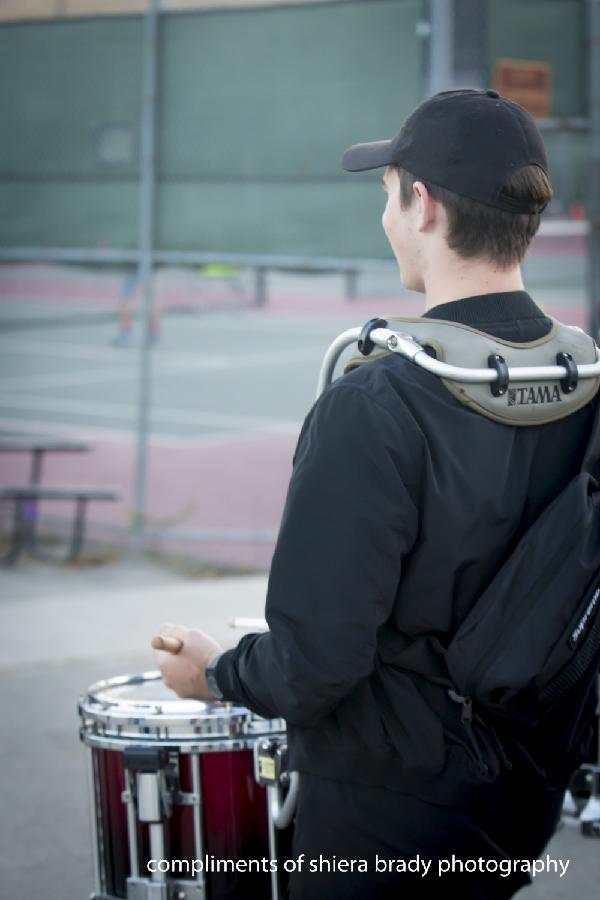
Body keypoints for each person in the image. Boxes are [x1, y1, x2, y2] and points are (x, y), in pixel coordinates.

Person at [154, 89, 599, 899]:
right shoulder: (586, 381)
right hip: (523, 801)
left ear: (422, 206)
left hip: (386, 815)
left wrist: (215, 673)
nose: (386, 218)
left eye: (388, 196)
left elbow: (313, 662)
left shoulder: (376, 403)